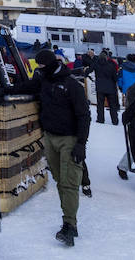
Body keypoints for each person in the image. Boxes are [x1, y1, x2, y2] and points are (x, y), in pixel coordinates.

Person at [10, 48, 89, 247]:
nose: (40, 70)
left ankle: (69, 225)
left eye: (42, 67)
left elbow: (83, 115)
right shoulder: (44, 80)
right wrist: (7, 90)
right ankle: (69, 218)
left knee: (69, 182)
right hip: (50, 137)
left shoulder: (72, 85)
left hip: (69, 139)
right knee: (60, 180)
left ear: (52, 64)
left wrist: (81, 143)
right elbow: (28, 87)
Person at [92, 50, 119, 123]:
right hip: (110, 87)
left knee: (100, 104)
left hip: (100, 87)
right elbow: (115, 77)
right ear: (107, 57)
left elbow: (89, 70)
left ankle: (100, 119)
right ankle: (115, 120)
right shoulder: (111, 65)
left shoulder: (96, 64)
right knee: (112, 105)